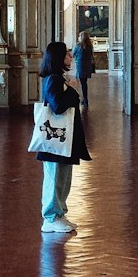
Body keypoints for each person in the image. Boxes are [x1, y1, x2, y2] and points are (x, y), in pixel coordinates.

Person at [36, 41, 90, 237]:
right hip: (54, 140)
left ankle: (59, 213)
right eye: (67, 55)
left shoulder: (60, 79)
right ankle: (50, 218)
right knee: (54, 178)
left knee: (63, 179)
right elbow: (58, 106)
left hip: (63, 140)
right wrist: (74, 91)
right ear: (59, 58)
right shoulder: (54, 80)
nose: (71, 57)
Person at [73, 28, 95, 109]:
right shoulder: (89, 46)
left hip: (80, 66)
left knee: (82, 83)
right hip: (87, 66)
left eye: (79, 36)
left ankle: (83, 99)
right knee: (84, 83)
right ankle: (85, 99)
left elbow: (73, 54)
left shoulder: (78, 45)